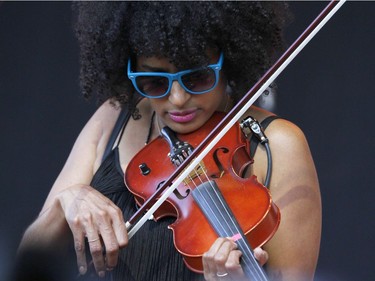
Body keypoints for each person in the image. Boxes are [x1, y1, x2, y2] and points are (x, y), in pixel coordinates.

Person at [17, 2, 321, 281]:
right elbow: (28, 258)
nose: (177, 100)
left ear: (229, 59)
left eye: (197, 78)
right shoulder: (114, 118)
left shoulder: (276, 144)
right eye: (155, 82)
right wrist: (65, 203)